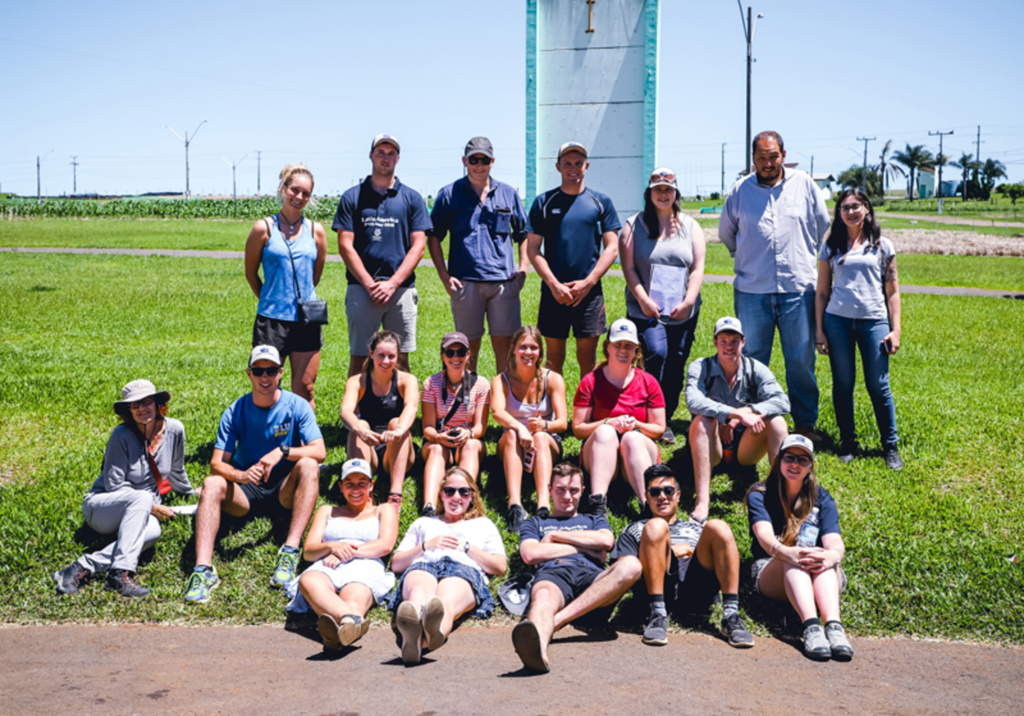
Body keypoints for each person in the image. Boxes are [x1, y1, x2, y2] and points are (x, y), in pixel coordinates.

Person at [184, 345, 325, 604]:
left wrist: (282, 451)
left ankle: (290, 550)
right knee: (212, 483)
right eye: (259, 371)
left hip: (285, 487)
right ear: (249, 374)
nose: (265, 377)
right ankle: (203, 570)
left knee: (308, 465)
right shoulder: (235, 411)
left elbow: (320, 451)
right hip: (246, 491)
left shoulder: (297, 406)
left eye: (271, 370)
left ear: (281, 373)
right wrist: (240, 476)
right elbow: (217, 464)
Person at [719, 131, 831, 441]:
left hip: (798, 289)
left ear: (783, 154)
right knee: (752, 360)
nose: (768, 163)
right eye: (761, 158)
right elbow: (727, 233)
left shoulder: (805, 185)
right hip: (753, 290)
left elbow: (821, 225)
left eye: (773, 156)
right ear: (752, 159)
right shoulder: (740, 191)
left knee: (800, 360)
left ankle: (805, 422)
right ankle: (751, 422)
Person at [53, 380, 197, 598]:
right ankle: (120, 576)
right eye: (135, 405)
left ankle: (80, 567)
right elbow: (114, 485)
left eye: (147, 402)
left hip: (140, 510)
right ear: (128, 411)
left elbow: (177, 470)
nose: (142, 408)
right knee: (141, 498)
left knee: (152, 532)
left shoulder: (175, 429)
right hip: (104, 507)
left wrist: (192, 493)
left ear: (158, 404)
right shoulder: (121, 435)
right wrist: (152, 506)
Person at [511, 463, 641, 673]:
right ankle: (537, 652)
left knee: (631, 565)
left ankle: (556, 621)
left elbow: (606, 541)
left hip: (593, 584)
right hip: (553, 576)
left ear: (582, 491)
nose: (567, 496)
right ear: (550, 489)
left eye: (573, 491)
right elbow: (531, 554)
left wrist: (554, 537)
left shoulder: (593, 520)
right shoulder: (534, 523)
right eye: (560, 490)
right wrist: (585, 548)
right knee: (543, 595)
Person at [609, 464, 754, 648]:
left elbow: (717, 557)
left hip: (696, 588)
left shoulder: (697, 529)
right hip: (657, 588)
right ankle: (657, 613)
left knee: (719, 526)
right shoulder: (636, 528)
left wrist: (691, 551)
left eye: (668, 491)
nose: (662, 496)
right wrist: (670, 552)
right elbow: (623, 568)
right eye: (654, 492)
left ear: (678, 495)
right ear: (647, 497)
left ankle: (731, 614)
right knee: (656, 526)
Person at [815, 188, 903, 469]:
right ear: (838, 214)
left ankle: (890, 446)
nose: (850, 211)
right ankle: (847, 442)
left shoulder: (882, 245)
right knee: (843, 384)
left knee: (879, 386)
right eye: (844, 207)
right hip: (837, 321)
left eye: (856, 206)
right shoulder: (830, 246)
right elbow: (821, 292)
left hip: (874, 321)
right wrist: (819, 330)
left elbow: (892, 291)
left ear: (866, 208)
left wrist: (896, 329)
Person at [745, 434, 853, 661]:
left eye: (802, 460)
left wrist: (832, 555)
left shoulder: (821, 498)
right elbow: (764, 536)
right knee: (792, 559)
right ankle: (812, 627)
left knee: (821, 557)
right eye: (789, 458)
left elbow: (834, 541)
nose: (795, 464)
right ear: (779, 460)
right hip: (771, 568)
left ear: (811, 466)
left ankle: (834, 627)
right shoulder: (760, 494)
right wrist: (786, 552)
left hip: (818, 572)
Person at [428, 136, 530, 374]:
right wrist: (444, 277)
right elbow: (433, 236)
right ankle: (468, 403)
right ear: (465, 160)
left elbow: (523, 233)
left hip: (504, 284)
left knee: (506, 348)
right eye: (474, 159)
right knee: (465, 348)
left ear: (492, 161)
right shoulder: (449, 194)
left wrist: (523, 269)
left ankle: (504, 404)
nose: (479, 165)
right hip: (465, 284)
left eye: (484, 160)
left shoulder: (508, 193)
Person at [620, 167, 706, 445]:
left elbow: (698, 268)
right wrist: (643, 300)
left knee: (676, 361)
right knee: (656, 354)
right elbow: (629, 268)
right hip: (646, 310)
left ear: (676, 192)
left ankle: (664, 420)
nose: (663, 194)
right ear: (649, 193)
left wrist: (689, 300)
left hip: (682, 309)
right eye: (658, 189)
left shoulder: (690, 226)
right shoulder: (633, 226)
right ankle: (645, 415)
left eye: (668, 189)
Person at [386, 467, 507, 664]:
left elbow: (500, 566)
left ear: (471, 496)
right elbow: (397, 564)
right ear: (441, 495)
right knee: (418, 594)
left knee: (444, 603)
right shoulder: (423, 522)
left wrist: (467, 548)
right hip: (425, 565)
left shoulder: (483, 524)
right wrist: (425, 546)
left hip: (462, 569)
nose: (456, 496)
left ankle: (419, 639)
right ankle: (424, 635)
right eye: (449, 491)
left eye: (463, 492)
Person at [334, 133, 433, 377]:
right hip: (361, 289)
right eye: (380, 152)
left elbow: (419, 246)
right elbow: (346, 245)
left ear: (398, 158)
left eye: (391, 154)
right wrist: (370, 284)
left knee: (400, 359)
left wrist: (392, 284)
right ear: (371, 156)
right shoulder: (352, 197)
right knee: (359, 358)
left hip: (401, 291)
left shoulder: (411, 198)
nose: (385, 158)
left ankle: (402, 414)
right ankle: (354, 413)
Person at [526, 141, 622, 377]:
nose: (573, 168)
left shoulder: (601, 202)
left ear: (586, 166)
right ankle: (552, 411)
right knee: (553, 359)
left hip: (589, 295)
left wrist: (588, 283)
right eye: (567, 163)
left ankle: (585, 414)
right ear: (558, 167)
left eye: (578, 163)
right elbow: (533, 249)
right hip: (553, 293)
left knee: (587, 359)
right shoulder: (543, 203)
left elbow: (612, 248)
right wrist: (553, 284)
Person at [685, 316, 790, 523]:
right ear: (714, 343)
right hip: (711, 447)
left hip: (745, 449)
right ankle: (702, 503)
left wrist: (745, 412)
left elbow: (783, 401)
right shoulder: (701, 366)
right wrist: (731, 414)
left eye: (734, 341)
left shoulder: (755, 368)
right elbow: (693, 401)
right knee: (701, 420)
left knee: (777, 422)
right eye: (723, 341)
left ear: (743, 342)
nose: (729, 346)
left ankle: (782, 496)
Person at [286, 458, 398, 650]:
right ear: (340, 486)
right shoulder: (327, 511)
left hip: (366, 564)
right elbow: (309, 551)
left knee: (353, 598)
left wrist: (346, 553)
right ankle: (349, 622)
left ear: (371, 486)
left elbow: (385, 545)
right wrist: (332, 547)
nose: (355, 490)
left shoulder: (383, 510)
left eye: (362, 484)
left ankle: (340, 634)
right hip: (327, 565)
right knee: (309, 580)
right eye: (349, 484)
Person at [244, 163, 328, 408]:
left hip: (307, 320)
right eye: (294, 190)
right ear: (283, 188)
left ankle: (304, 441)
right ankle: (268, 439)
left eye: (306, 194)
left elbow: (314, 276)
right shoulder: (263, 228)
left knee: (305, 388)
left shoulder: (316, 231)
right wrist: (270, 298)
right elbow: (251, 273)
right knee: (267, 387)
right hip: (271, 321)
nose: (299, 197)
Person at [572, 319, 666, 517]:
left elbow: (659, 429)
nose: (623, 350)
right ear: (608, 347)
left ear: (636, 350)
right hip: (602, 457)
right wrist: (608, 422)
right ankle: (597, 503)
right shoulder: (590, 381)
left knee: (632, 437)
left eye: (629, 346)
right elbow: (578, 429)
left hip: (638, 452)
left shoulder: (648, 381)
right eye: (618, 345)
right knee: (605, 431)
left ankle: (647, 505)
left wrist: (636, 424)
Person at [491, 325, 568, 532]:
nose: (528, 353)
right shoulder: (501, 380)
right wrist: (519, 428)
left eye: (533, 348)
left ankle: (543, 505)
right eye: (523, 347)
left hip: (545, 444)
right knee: (511, 436)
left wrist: (544, 425)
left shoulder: (553, 379)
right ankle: (514, 505)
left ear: (540, 352)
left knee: (541, 437)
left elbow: (562, 423)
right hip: (512, 444)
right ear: (513, 350)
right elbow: (497, 412)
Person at [339, 331, 419, 509]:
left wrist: (398, 431)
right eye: (381, 355)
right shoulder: (357, 381)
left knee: (396, 422)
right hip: (370, 448)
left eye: (391, 356)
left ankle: (395, 494)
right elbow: (346, 411)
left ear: (397, 356)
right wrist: (362, 431)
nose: (386, 361)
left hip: (398, 449)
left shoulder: (407, 380)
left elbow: (411, 407)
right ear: (371, 353)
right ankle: (365, 493)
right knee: (359, 424)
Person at [420, 332, 491, 516]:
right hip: (439, 440)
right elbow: (427, 427)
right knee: (436, 450)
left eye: (461, 352)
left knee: (472, 446)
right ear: (442, 356)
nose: (455, 357)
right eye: (449, 353)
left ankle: (464, 502)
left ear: (468, 355)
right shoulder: (431, 383)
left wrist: (468, 434)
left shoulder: (481, 384)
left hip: (467, 441)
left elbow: (480, 427)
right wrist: (437, 436)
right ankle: (430, 506)